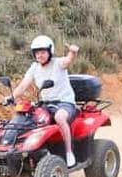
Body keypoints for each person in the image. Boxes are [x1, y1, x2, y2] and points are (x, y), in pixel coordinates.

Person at [10, 36, 80, 167]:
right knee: (28, 117)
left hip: (64, 103)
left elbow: (68, 61)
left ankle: (69, 152)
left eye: (42, 52)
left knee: (59, 117)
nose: (39, 55)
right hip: (46, 104)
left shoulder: (58, 63)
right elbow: (23, 86)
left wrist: (72, 52)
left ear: (50, 51)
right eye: (37, 52)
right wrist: (11, 97)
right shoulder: (34, 67)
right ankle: (27, 152)